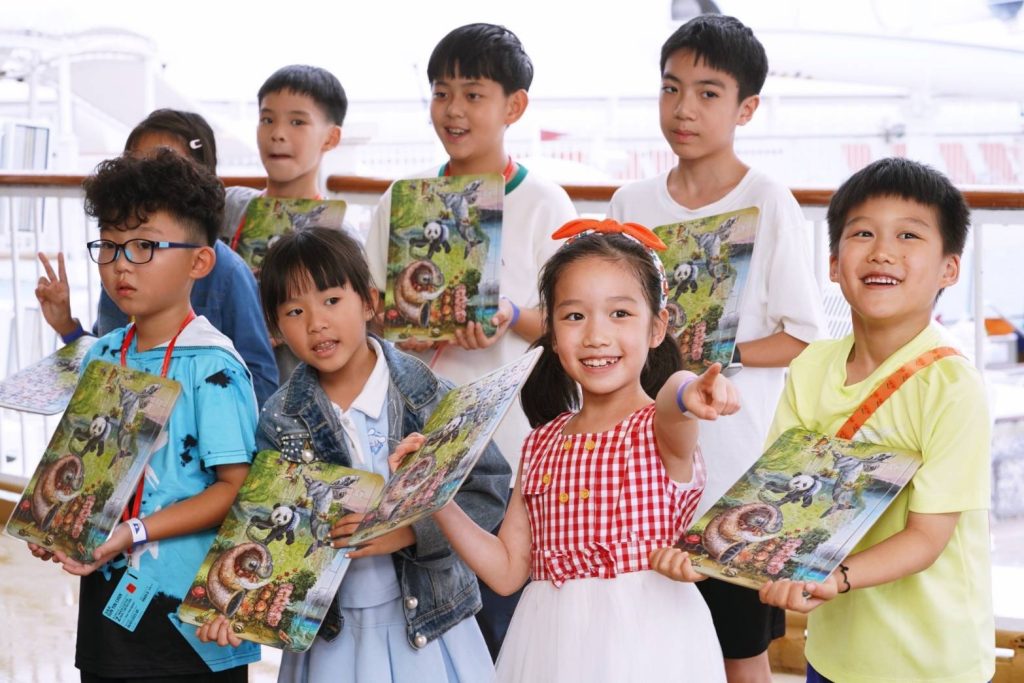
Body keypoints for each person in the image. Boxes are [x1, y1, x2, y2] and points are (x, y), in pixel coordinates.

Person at [411, 219, 737, 681]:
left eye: (620, 313)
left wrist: (689, 388)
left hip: (647, 644)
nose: (596, 335)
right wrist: (435, 494)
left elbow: (673, 399)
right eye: (574, 316)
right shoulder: (541, 442)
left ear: (657, 326)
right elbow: (507, 572)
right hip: (549, 645)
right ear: (551, 330)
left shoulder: (661, 428)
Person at [606, 15, 825, 680]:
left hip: (734, 468)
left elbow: (802, 336)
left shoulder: (768, 200)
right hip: (643, 463)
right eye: (671, 89)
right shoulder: (630, 202)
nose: (684, 109)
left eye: (708, 93)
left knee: (741, 654)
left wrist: (717, 357)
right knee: (646, 646)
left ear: (745, 108)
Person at [197, 227, 509, 682]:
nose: (316, 323)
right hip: (332, 639)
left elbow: (487, 490)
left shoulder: (429, 396)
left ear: (368, 301)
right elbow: (272, 529)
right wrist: (239, 610)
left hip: (429, 626)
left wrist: (410, 533)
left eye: (331, 300)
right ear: (276, 328)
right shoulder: (279, 420)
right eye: (294, 311)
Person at [363, 23, 577, 657]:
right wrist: (397, 319)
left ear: (515, 105)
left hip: (510, 446)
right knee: (427, 629)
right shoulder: (403, 200)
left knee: (502, 626)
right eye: (441, 92)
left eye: (473, 94)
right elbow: (370, 315)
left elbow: (573, 325)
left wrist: (510, 315)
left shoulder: (545, 203)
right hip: (414, 444)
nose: (453, 110)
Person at [28, 149, 260, 680]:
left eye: (144, 246)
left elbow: (235, 490)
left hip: (189, 623)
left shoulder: (213, 366)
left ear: (199, 263)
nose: (121, 264)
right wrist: (56, 523)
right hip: (107, 607)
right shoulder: (105, 354)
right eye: (109, 245)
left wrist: (133, 531)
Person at [757, 158, 992, 682]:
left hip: (930, 663)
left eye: (909, 235)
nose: (882, 251)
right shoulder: (811, 366)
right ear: (834, 263)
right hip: (835, 653)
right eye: (862, 233)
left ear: (949, 269)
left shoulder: (952, 386)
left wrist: (834, 579)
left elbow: (927, 537)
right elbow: (783, 492)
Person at [33, 108, 279, 406]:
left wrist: (184, 405)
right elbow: (103, 360)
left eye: (166, 168)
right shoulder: (122, 269)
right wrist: (67, 327)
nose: (122, 263)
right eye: (109, 245)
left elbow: (261, 379)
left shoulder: (228, 277)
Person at [220, 64, 349, 384]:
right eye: (267, 119)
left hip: (296, 393)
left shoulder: (340, 234)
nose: (277, 133)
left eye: (297, 122)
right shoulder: (229, 206)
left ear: (331, 137)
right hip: (219, 383)